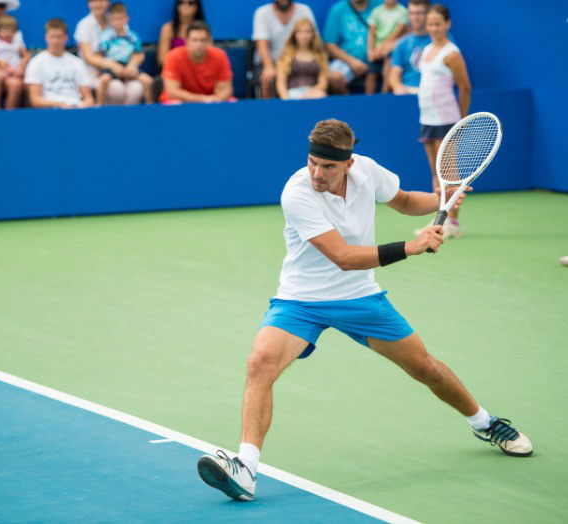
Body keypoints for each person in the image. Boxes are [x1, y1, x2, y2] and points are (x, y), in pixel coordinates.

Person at [196, 119, 533, 502]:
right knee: (260, 363)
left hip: (359, 298)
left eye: (328, 167)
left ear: (348, 164)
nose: (317, 173)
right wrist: (411, 246)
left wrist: (442, 198)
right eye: (312, 163)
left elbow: (404, 200)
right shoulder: (297, 193)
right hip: (301, 300)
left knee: (425, 366)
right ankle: (247, 469)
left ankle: (484, 423)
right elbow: (341, 256)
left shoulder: (367, 171)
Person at [415, 4, 470, 239]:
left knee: (449, 173)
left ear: (447, 24)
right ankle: (441, 217)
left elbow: (465, 87)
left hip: (447, 118)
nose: (434, 28)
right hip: (427, 117)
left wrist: (462, 118)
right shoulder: (426, 49)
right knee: (435, 171)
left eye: (438, 23)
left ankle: (452, 223)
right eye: (430, 24)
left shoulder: (452, 53)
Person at [252, 0, 317, 98]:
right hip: (271, 62)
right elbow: (261, 44)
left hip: (296, 61)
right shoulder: (262, 12)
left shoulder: (305, 10)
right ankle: (269, 111)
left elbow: (315, 39)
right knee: (268, 78)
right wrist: (269, 67)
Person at [25, 18, 94, 109]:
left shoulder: (77, 62)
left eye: (59, 37)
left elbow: (88, 98)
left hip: (76, 110)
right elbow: (35, 100)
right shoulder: (36, 62)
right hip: (50, 112)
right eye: (52, 36)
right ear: (46, 37)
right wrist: (60, 104)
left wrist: (79, 106)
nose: (55, 41)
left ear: (66, 38)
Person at [160, 21, 234, 104]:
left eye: (203, 40)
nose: (199, 44)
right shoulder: (173, 56)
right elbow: (172, 92)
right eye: (194, 40)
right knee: (174, 103)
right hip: (183, 102)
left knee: (232, 102)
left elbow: (227, 89)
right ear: (186, 41)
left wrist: (216, 98)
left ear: (210, 41)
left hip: (211, 100)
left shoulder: (220, 56)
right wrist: (203, 99)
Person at [97, 2, 153, 105]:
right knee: (103, 80)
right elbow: (101, 55)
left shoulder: (133, 36)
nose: (117, 22)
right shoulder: (106, 36)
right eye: (114, 19)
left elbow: (138, 54)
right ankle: (98, 108)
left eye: (120, 18)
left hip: (129, 66)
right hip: (113, 67)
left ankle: (151, 110)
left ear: (127, 18)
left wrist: (132, 66)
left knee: (148, 81)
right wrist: (109, 67)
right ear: (110, 19)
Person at [323, 0, 381, 94]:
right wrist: (352, 62)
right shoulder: (338, 9)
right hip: (348, 60)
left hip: (377, 58)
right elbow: (330, 45)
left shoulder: (380, 6)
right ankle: (351, 106)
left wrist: (381, 51)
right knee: (333, 77)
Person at [0, 15, 30, 109]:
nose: (8, 33)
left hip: (15, 71)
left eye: (11, 30)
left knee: (21, 82)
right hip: (1, 70)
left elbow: (26, 55)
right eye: (5, 29)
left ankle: (10, 111)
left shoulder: (18, 42)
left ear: (15, 31)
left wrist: (21, 66)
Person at [275, 18, 327, 100]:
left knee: (321, 95)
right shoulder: (285, 56)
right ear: (294, 34)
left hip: (313, 93)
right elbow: (281, 82)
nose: (304, 35)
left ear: (313, 34)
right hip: (291, 94)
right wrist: (286, 100)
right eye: (300, 32)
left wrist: (308, 95)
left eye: (307, 32)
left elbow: (323, 83)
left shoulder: (320, 56)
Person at [387, 0, 431, 95]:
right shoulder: (402, 43)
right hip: (409, 91)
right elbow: (394, 73)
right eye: (412, 13)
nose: (415, 18)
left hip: (433, 92)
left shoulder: (441, 39)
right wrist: (397, 87)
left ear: (428, 14)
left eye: (419, 13)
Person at [366, 0, 408, 94]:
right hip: (377, 51)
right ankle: (367, 100)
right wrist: (371, 51)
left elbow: (398, 32)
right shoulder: (376, 11)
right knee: (371, 74)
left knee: (387, 70)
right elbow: (371, 33)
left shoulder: (403, 12)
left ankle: (384, 95)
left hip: (392, 49)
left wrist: (384, 47)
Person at [157, 0, 206, 70]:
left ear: (197, 7)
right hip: (173, 71)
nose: (185, 6)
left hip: (198, 71)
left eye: (190, 3)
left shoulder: (203, 29)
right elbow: (162, 60)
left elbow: (208, 55)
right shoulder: (168, 28)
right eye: (180, 2)